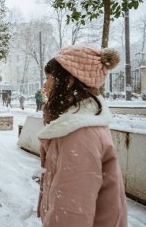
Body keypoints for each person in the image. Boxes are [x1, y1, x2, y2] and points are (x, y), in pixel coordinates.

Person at [37, 45, 127, 227]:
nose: (44, 86)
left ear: (69, 81)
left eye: (49, 79)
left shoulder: (79, 137)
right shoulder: (80, 126)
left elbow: (71, 215)